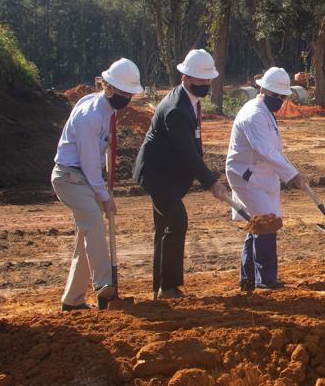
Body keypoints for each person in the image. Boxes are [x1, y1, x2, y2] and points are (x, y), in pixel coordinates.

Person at [134, 49, 233, 299]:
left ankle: (161, 286)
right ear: (185, 78)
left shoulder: (187, 100)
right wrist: (211, 183)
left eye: (208, 79)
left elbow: (192, 148)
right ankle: (167, 287)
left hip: (163, 173)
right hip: (158, 175)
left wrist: (209, 179)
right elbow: (187, 153)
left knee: (165, 226)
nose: (206, 84)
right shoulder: (177, 109)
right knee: (176, 220)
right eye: (201, 80)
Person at [50, 59, 144, 311]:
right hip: (69, 177)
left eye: (129, 94)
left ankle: (72, 300)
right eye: (123, 93)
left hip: (82, 178)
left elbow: (103, 152)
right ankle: (105, 287)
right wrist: (105, 196)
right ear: (109, 88)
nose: (126, 99)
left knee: (86, 237)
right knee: (93, 222)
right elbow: (90, 163)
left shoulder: (107, 110)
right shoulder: (90, 115)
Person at [226, 67, 308, 291]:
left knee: (258, 225)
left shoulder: (265, 112)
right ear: (262, 89)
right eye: (276, 95)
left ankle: (249, 279)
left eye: (283, 96)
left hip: (259, 175)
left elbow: (274, 151)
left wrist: (292, 171)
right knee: (266, 224)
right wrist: (293, 176)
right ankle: (266, 279)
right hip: (247, 175)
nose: (280, 100)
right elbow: (265, 151)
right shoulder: (254, 114)